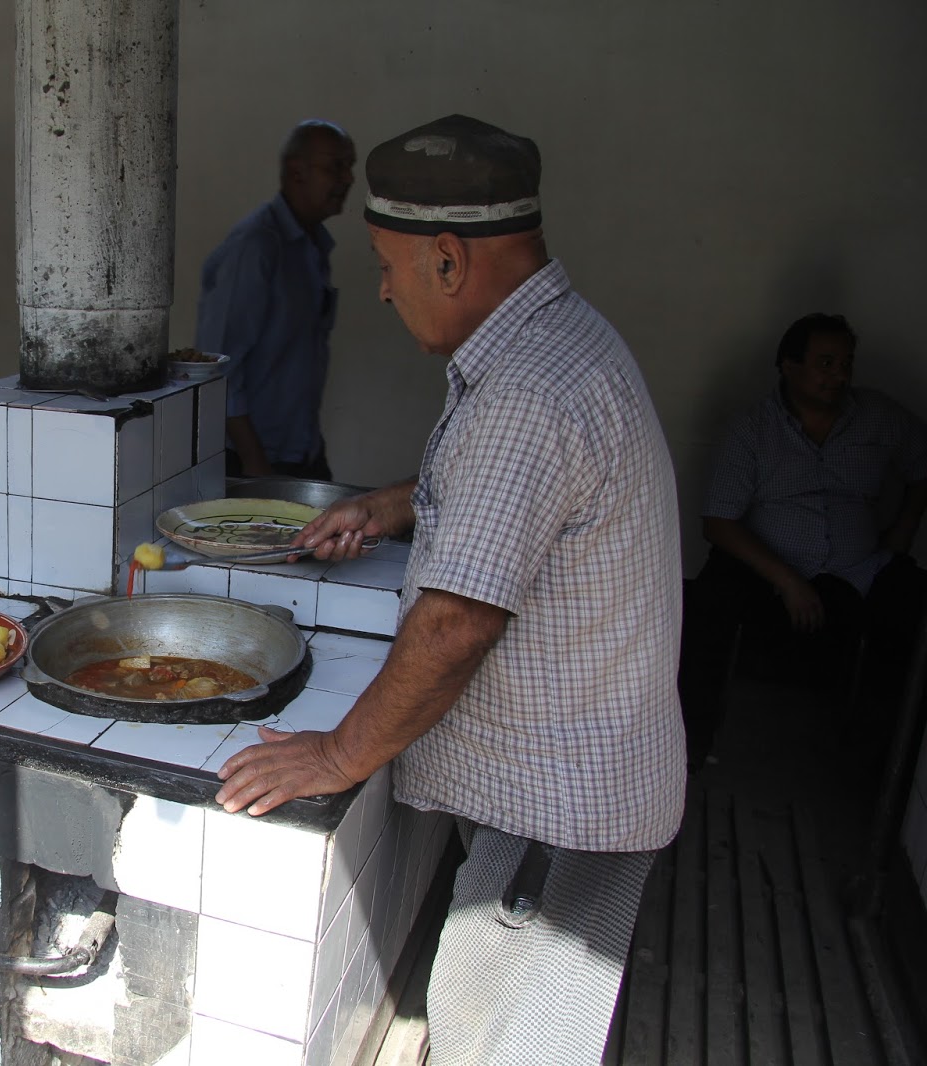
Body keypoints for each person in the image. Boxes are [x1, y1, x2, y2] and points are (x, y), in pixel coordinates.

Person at [213, 114, 686, 1065]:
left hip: (561, 810)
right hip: (582, 782)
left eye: (388, 262)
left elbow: (455, 627)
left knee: (505, 1041)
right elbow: (530, 506)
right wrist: (398, 503)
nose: (382, 288)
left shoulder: (521, 396)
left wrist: (340, 756)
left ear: (447, 259)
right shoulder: (558, 342)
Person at [678, 313, 927, 768]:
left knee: (912, 602)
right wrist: (787, 580)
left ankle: (887, 763)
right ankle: (692, 745)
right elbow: (718, 521)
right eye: (825, 364)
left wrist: (903, 532)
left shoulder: (878, 416)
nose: (839, 376)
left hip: (860, 570)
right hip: (772, 572)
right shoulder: (753, 428)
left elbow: (922, 464)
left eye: (846, 364)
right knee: (708, 597)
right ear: (789, 367)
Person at [195, 120, 356, 479]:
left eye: (349, 166)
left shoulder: (312, 247)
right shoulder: (256, 248)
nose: (348, 179)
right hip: (252, 463)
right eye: (335, 166)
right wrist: (256, 466)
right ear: (296, 171)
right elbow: (218, 368)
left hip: (301, 455)